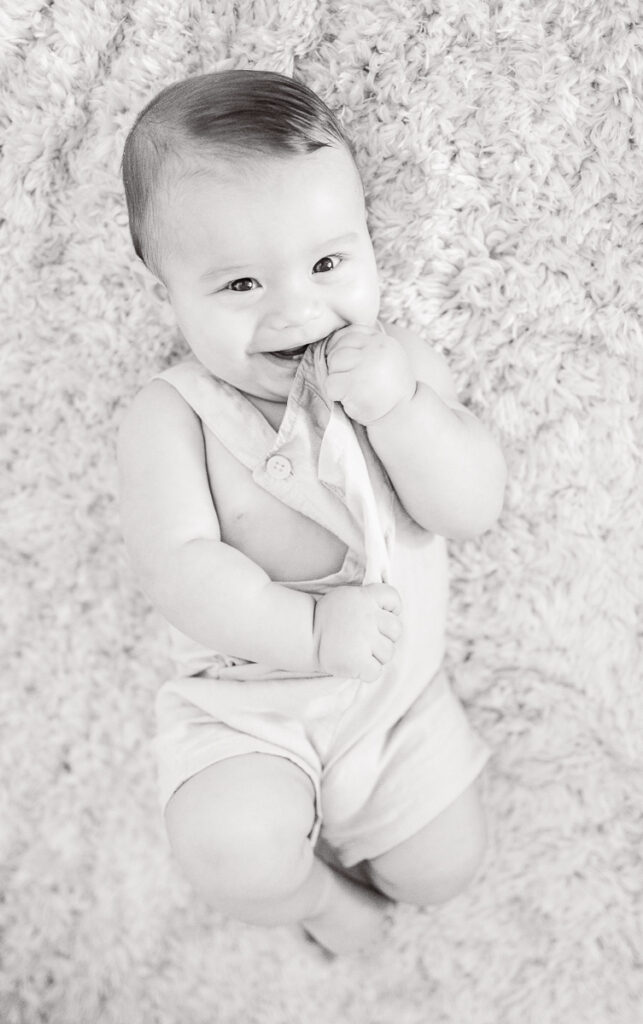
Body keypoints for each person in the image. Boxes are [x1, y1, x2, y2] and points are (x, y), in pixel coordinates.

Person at [117, 69, 507, 955]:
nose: (297, 309)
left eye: (327, 264)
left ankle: (365, 854)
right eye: (241, 285)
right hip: (253, 709)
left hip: (399, 704)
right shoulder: (171, 414)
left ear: (368, 247)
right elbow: (177, 568)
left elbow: (471, 506)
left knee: (444, 869)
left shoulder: (398, 370)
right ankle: (315, 899)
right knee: (228, 850)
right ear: (165, 292)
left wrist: (401, 410)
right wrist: (307, 628)